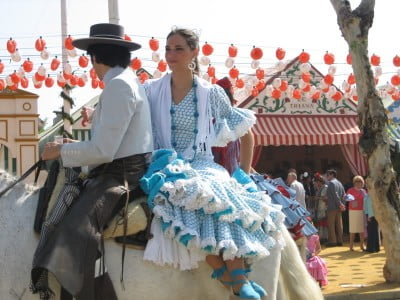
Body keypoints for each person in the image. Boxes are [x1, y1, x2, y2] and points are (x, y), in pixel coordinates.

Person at [140, 27, 285, 300]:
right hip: (165, 164)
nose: (171, 54)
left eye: (178, 49)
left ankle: (237, 278)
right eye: (168, 48)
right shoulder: (151, 90)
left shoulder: (212, 93)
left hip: (203, 163)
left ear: (194, 52)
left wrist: (242, 171)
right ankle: (228, 274)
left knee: (221, 193)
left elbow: (244, 131)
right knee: (188, 197)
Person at [30, 23, 153, 300]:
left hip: (121, 175)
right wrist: (68, 146)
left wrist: (61, 152)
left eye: (90, 58)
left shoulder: (119, 86)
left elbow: (104, 151)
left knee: (74, 231)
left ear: (95, 58)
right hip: (118, 167)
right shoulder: (125, 81)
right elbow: (109, 145)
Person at [211, 77, 243, 175]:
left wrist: (244, 173)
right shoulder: (210, 121)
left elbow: (249, 138)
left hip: (231, 174)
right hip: (215, 174)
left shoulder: (235, 116)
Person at [325, 169, 346, 247]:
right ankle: (340, 240)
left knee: (331, 225)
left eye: (328, 175)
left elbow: (335, 195)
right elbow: (344, 195)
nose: (326, 176)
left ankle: (333, 241)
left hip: (332, 207)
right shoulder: (339, 183)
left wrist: (340, 204)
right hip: (338, 207)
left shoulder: (331, 183)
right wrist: (343, 204)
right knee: (339, 224)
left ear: (332, 175)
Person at [345, 176, 366, 251]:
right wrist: (351, 198)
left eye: (360, 181)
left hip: (361, 211)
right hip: (352, 211)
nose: (358, 183)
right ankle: (351, 246)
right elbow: (346, 199)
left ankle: (362, 245)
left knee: (361, 229)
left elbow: (366, 201)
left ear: (362, 183)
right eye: (357, 182)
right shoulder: (350, 190)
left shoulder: (363, 191)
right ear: (354, 183)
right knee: (353, 229)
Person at [313, 173, 328, 243]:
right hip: (320, 208)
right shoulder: (320, 188)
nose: (316, 183)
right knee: (320, 223)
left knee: (323, 223)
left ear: (320, 181)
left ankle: (324, 237)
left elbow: (325, 198)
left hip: (323, 207)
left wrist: (317, 198)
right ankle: (322, 237)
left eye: (317, 181)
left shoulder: (325, 187)